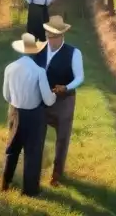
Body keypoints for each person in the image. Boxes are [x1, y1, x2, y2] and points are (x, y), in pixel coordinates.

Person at [2, 32, 56, 196]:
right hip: (34, 116)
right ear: (34, 51)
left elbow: (6, 95)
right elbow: (48, 100)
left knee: (12, 148)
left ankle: (5, 182)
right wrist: (54, 95)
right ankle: (30, 191)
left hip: (15, 113)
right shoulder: (39, 71)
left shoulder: (10, 68)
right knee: (32, 153)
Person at [33, 15, 84, 186]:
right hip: (41, 99)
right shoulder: (39, 49)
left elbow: (79, 77)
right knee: (38, 134)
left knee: (62, 137)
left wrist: (67, 87)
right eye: (48, 36)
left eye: (53, 37)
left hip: (64, 101)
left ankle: (57, 174)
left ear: (62, 35)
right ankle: (35, 169)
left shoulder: (74, 53)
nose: (50, 40)